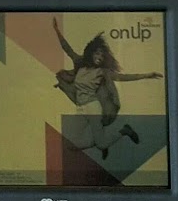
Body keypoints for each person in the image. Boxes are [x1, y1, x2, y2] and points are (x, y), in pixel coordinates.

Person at [51, 15, 161, 161]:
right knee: (72, 145)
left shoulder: (102, 72)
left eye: (102, 55)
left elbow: (124, 77)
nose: (99, 57)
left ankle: (124, 131)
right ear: (90, 53)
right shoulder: (80, 63)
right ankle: (102, 139)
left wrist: (147, 75)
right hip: (81, 108)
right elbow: (67, 48)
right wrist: (56, 30)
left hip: (93, 108)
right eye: (97, 53)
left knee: (101, 144)